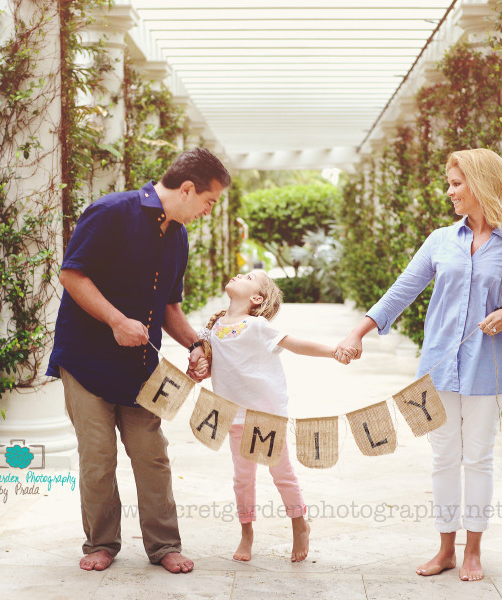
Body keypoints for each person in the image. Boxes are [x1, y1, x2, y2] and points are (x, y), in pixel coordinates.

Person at [336, 148, 502, 582]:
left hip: (490, 368)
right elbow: (401, 292)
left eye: (456, 183)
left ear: (482, 184)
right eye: (449, 183)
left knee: (479, 458)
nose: (449, 192)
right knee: (443, 457)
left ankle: (473, 552)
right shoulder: (439, 241)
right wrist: (358, 333)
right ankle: (445, 548)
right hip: (437, 365)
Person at [46, 148, 230, 574]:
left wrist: (197, 344)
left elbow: (169, 306)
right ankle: (101, 542)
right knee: (98, 458)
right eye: (209, 200)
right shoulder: (110, 211)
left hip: (141, 368)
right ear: (187, 189)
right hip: (86, 360)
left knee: (153, 455)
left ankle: (165, 546)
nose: (208, 210)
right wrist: (115, 320)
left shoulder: (179, 235)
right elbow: (72, 274)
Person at [197, 270, 346, 563]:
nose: (239, 274)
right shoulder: (214, 327)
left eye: (249, 276)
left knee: (282, 475)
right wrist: (201, 365)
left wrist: (334, 352)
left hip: (266, 416)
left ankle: (299, 524)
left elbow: (296, 345)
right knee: (242, 479)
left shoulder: (257, 326)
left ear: (256, 298)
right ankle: (247, 532)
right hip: (233, 417)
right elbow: (216, 364)